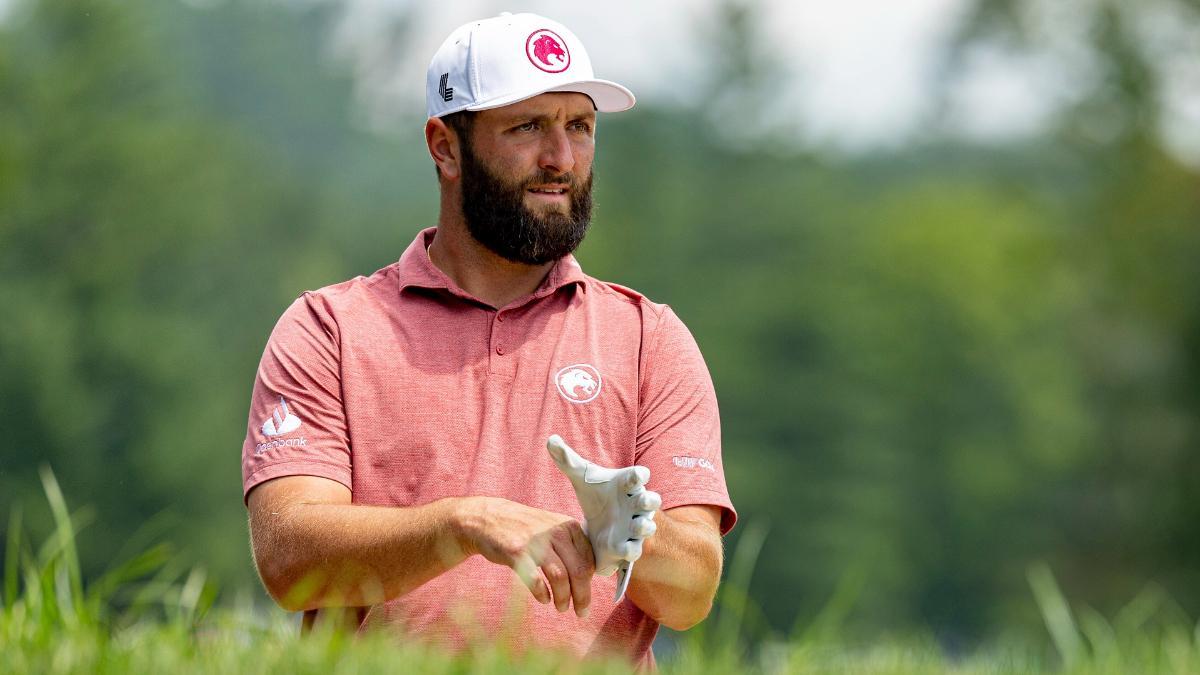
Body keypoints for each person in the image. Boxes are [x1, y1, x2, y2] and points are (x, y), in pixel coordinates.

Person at [240, 12, 736, 668]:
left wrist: (630, 533)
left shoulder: (649, 338)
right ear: (444, 146)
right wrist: (462, 523)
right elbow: (288, 555)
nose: (561, 158)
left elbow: (693, 590)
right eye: (528, 126)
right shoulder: (328, 330)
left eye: (579, 126)